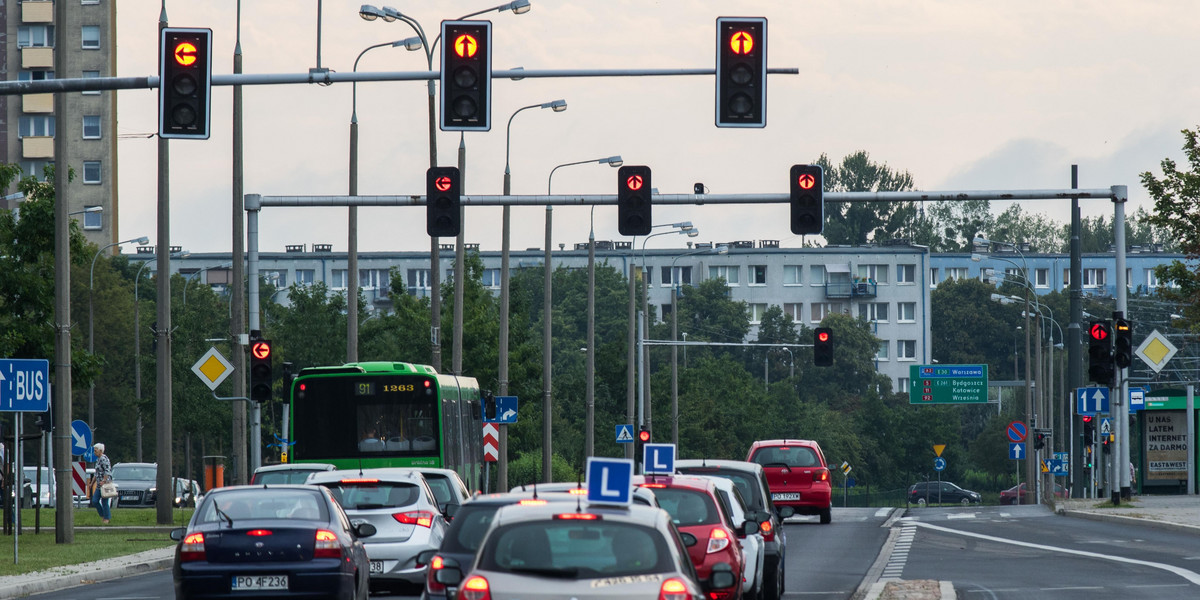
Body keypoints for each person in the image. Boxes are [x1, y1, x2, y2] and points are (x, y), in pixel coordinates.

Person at [91, 443, 113, 524]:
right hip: (99, 485)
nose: (94, 452)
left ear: (100, 451)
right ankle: (103, 515)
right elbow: (96, 473)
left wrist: (104, 480)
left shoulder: (104, 459)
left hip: (105, 484)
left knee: (104, 501)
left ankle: (106, 518)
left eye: (95, 451)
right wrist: (92, 483)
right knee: (95, 501)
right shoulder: (98, 459)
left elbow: (107, 471)